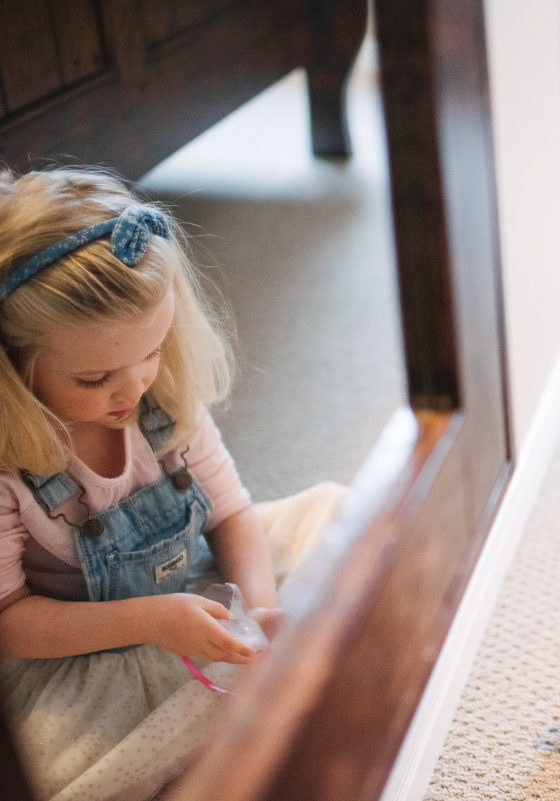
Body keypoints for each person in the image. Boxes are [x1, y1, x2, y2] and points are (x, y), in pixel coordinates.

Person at [0, 168, 343, 800]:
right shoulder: (9, 469)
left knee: (342, 524)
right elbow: (11, 620)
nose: (132, 391)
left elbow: (232, 515)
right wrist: (154, 621)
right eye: (95, 377)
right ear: (15, 369)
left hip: (194, 586)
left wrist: (258, 609)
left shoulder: (164, 401)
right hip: (84, 646)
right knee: (69, 772)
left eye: (152, 351)